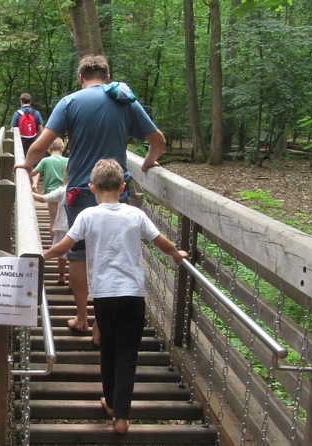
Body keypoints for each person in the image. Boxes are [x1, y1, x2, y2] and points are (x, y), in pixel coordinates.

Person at [14, 54, 166, 334]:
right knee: (109, 254)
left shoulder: (70, 102)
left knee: (79, 255)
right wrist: (147, 163)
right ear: (107, 77)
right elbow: (157, 141)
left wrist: (26, 165)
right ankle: (101, 325)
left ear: (80, 77)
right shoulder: (125, 100)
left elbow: (39, 145)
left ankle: (82, 318)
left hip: (79, 192)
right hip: (115, 190)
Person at [43, 158, 187, 434]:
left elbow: (64, 247)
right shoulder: (135, 214)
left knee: (108, 350)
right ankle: (121, 415)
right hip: (133, 295)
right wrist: (175, 253)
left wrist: (41, 256)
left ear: (91, 187)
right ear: (122, 187)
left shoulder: (87, 216)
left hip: (105, 297)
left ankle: (110, 402)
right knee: (127, 354)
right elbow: (160, 240)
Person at [32, 172, 68, 285]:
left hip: (63, 227)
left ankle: (61, 275)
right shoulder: (88, 190)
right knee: (76, 257)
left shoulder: (63, 190)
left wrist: (29, 192)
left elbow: (43, 199)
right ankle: (74, 281)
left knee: (61, 254)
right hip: (80, 229)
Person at [29, 137, 68, 237]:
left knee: (53, 220)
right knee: (66, 219)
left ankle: (54, 244)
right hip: (65, 193)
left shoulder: (45, 161)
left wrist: (28, 163)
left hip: (51, 193)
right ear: (62, 147)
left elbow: (33, 172)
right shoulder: (68, 160)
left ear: (48, 149)